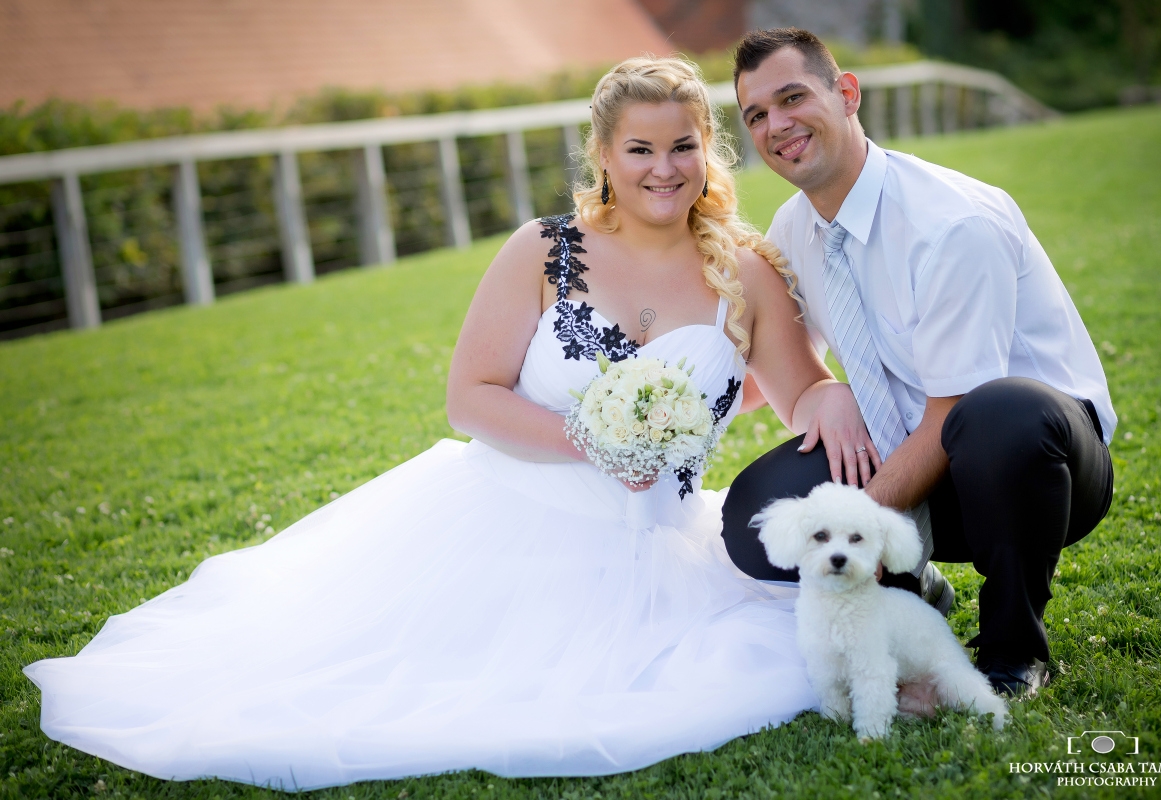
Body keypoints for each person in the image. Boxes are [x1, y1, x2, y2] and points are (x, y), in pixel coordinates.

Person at [24, 57, 874, 789]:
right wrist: (593, 441)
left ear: (707, 149)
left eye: (682, 146)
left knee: (762, 660)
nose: (664, 169)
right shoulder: (545, 249)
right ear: (605, 156)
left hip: (666, 543)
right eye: (640, 150)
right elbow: (470, 395)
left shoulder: (744, 271)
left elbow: (799, 393)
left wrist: (829, 396)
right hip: (514, 526)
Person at [720, 28, 1116, 697]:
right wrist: (679, 399)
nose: (776, 125)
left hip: (1034, 471)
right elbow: (778, 369)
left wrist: (860, 525)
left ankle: (1013, 651)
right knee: (754, 513)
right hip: (916, 454)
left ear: (847, 94)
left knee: (1001, 414)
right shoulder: (793, 228)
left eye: (792, 98)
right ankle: (916, 583)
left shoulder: (952, 223)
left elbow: (955, 411)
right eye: (756, 114)